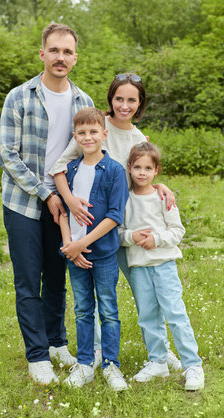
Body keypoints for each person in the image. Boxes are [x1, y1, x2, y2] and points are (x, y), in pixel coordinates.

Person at [49, 73, 181, 371]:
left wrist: (161, 186)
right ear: (110, 99)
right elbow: (60, 166)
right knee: (94, 292)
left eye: (131, 100)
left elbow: (141, 174)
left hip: (127, 226)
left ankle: (161, 351)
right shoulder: (95, 128)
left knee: (144, 290)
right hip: (93, 226)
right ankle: (95, 350)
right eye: (119, 98)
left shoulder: (137, 137)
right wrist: (69, 200)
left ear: (140, 103)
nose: (124, 105)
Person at [0, 22, 94, 385]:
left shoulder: (84, 102)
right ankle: (37, 356)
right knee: (28, 282)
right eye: (54, 50)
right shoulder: (19, 97)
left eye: (67, 52)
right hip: (23, 203)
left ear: (75, 58)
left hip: (64, 207)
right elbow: (7, 155)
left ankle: (56, 344)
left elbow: (98, 149)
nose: (60, 57)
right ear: (42, 53)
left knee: (57, 279)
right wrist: (46, 193)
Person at [118, 142, 205, 391]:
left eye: (148, 168)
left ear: (156, 170)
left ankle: (192, 365)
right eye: (137, 167)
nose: (142, 173)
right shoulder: (125, 199)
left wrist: (156, 239)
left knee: (175, 314)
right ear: (129, 168)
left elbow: (177, 230)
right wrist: (132, 236)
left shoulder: (163, 197)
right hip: (139, 267)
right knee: (147, 316)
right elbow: (119, 232)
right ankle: (157, 362)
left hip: (164, 264)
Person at [59, 108, 129, 391]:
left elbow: (114, 216)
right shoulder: (71, 170)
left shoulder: (114, 171)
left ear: (104, 134)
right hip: (74, 256)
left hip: (102, 254)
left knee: (109, 310)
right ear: (75, 137)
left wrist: (83, 244)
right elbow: (64, 212)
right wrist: (71, 249)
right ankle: (85, 364)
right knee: (83, 310)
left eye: (93, 132)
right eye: (82, 133)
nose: (88, 137)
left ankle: (111, 365)